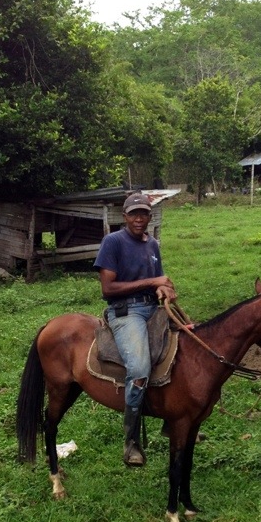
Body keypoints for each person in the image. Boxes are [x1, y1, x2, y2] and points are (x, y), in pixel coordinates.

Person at [93, 192, 177, 466]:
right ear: (125, 216)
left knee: (187, 344)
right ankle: (131, 442)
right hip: (125, 312)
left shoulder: (152, 244)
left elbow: (159, 282)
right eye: (134, 214)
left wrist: (165, 288)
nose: (139, 219)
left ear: (150, 217)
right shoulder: (113, 242)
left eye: (144, 214)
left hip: (154, 308)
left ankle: (171, 420)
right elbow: (108, 288)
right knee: (140, 370)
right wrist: (153, 281)